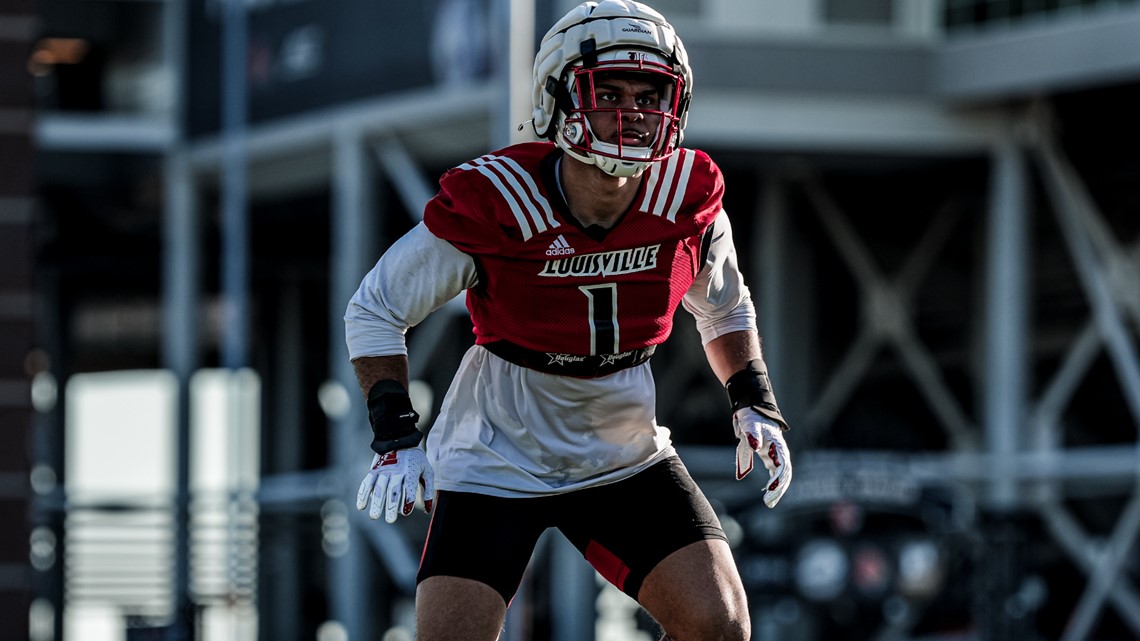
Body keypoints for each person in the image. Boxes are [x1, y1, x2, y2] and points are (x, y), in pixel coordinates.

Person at [345, 1, 792, 638]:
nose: (631, 111)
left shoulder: (685, 198)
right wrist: (395, 433)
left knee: (720, 627)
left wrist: (754, 401)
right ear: (556, 99)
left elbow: (723, 307)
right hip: (493, 454)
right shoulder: (501, 199)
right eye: (607, 91)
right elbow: (374, 309)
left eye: (649, 93)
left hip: (623, 449)